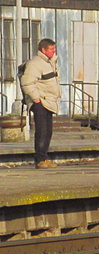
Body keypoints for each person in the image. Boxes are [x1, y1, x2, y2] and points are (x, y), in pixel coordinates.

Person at [20, 38, 59, 169]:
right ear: (43, 50)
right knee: (42, 130)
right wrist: (36, 98)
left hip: (49, 101)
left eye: (54, 48)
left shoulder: (50, 63)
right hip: (40, 101)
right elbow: (26, 82)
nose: (54, 51)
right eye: (51, 49)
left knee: (48, 131)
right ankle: (40, 159)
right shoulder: (35, 63)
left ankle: (44, 157)